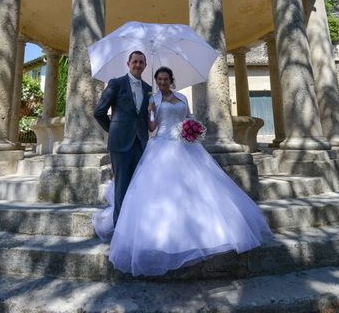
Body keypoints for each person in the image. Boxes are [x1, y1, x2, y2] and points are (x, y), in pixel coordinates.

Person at [93, 66, 273, 277]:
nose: (162, 83)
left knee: (200, 188)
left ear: (171, 80)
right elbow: (152, 128)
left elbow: (187, 117)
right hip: (161, 145)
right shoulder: (154, 99)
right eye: (159, 80)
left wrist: (191, 128)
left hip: (186, 147)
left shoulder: (181, 97)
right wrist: (150, 112)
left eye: (165, 79)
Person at [94, 51, 152, 226]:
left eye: (141, 62)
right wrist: (113, 130)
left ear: (145, 66)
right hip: (120, 143)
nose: (138, 65)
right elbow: (99, 112)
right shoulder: (116, 83)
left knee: (138, 186)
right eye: (135, 61)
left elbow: (146, 118)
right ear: (128, 64)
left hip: (141, 143)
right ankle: (119, 228)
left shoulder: (149, 89)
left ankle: (134, 226)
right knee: (121, 185)